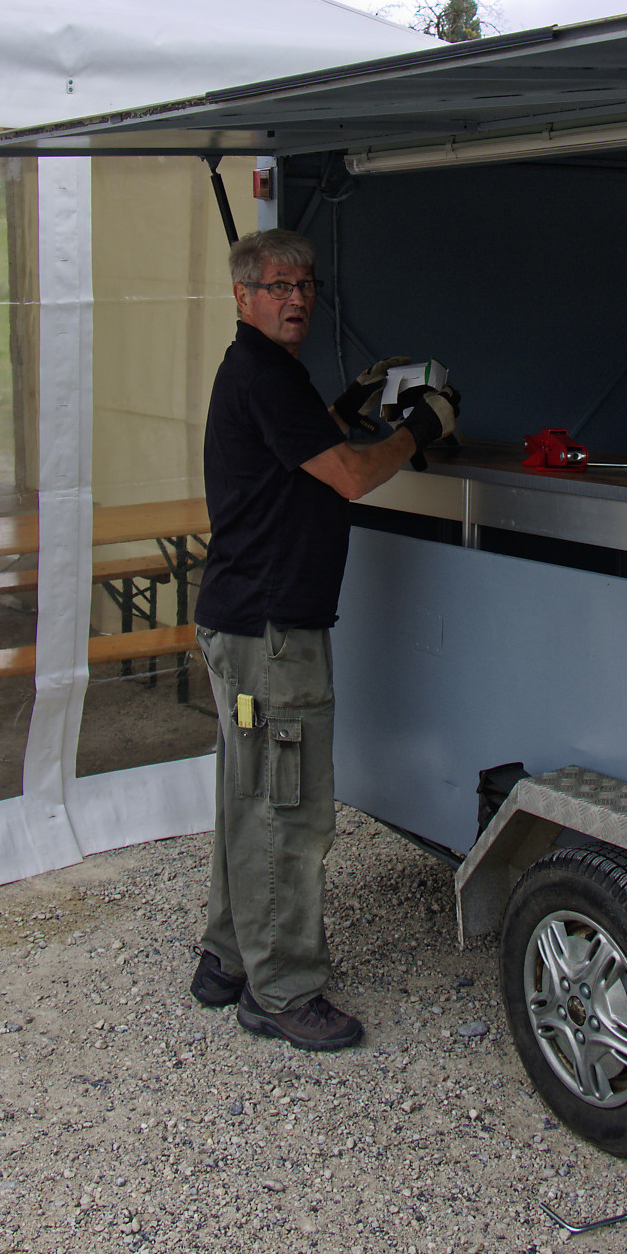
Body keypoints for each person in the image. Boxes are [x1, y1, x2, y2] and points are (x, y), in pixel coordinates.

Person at [188, 227, 460, 1051]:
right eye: (277, 286)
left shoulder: (266, 374)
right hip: (271, 635)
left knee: (248, 795)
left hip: (241, 623)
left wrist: (351, 403)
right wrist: (419, 429)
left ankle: (227, 958)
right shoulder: (265, 377)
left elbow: (305, 450)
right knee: (288, 811)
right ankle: (281, 990)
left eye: (304, 285)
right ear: (242, 296)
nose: (296, 298)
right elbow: (347, 475)